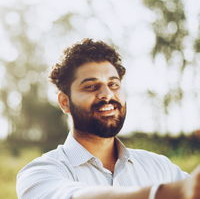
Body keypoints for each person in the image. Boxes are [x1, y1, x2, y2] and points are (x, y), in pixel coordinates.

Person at [16, 38, 200, 199]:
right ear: (65, 102)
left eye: (113, 84)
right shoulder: (40, 173)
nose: (107, 94)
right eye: (91, 87)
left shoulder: (160, 167)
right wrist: (169, 194)